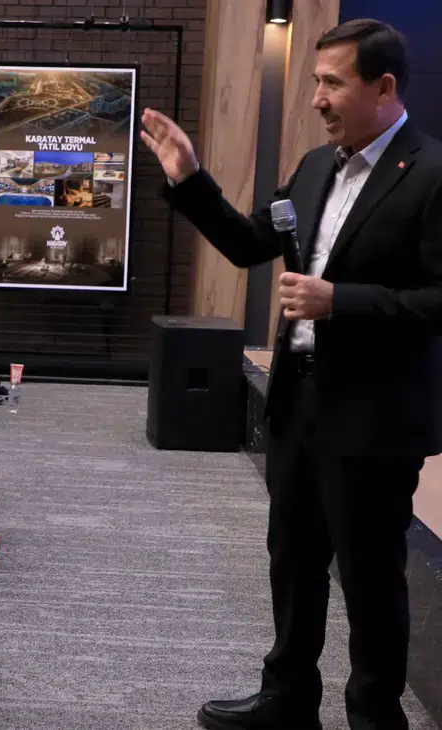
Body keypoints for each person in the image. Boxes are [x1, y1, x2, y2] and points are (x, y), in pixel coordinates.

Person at [141, 19, 442, 730]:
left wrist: (343, 302)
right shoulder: (315, 169)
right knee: (294, 560)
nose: (317, 98)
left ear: (384, 86)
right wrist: (189, 178)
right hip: (299, 402)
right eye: (316, 81)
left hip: (375, 418)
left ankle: (374, 715)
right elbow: (250, 243)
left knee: (370, 583)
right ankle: (287, 697)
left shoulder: (432, 175)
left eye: (333, 82)